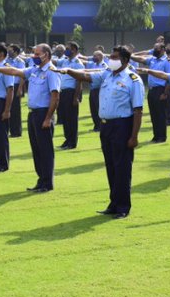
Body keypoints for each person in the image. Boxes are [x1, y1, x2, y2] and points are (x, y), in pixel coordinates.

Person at [53, 45, 144, 218]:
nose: (111, 60)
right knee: (110, 166)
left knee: (122, 168)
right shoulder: (106, 75)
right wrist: (68, 71)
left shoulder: (133, 80)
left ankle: (123, 206)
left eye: (115, 57)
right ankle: (114, 203)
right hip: (106, 126)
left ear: (124, 60)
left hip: (122, 126)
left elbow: (138, 111)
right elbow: (86, 76)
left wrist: (134, 136)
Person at [0, 43, 61, 191]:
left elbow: (55, 96)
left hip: (43, 114)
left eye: (37, 54)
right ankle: (41, 180)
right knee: (36, 150)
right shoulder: (34, 70)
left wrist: (48, 118)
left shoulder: (51, 72)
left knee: (45, 150)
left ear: (47, 55)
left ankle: (47, 183)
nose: (34, 56)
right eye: (34, 54)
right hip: (33, 114)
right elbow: (15, 71)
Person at [57, 42, 85, 150]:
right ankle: (67, 139)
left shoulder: (78, 63)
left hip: (71, 92)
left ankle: (72, 142)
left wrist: (76, 97)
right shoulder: (65, 61)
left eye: (67, 48)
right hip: (63, 92)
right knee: (65, 117)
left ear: (73, 49)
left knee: (71, 118)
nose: (65, 50)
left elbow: (79, 81)